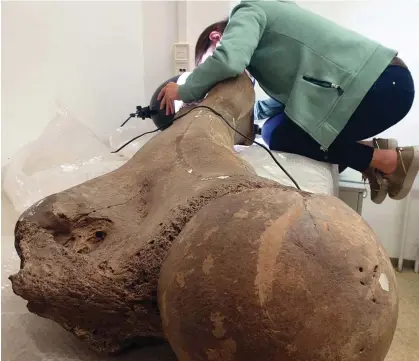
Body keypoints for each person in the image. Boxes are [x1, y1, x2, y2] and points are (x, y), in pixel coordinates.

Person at [158, 0, 417, 204]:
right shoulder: (271, 18)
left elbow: (228, 61)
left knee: (279, 133)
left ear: (217, 38)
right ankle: (372, 151)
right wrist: (249, 115)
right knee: (277, 125)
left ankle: (386, 160)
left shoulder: (248, 10)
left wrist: (184, 91)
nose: (214, 79)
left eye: (208, 63)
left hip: (381, 88)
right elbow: (296, 99)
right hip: (386, 84)